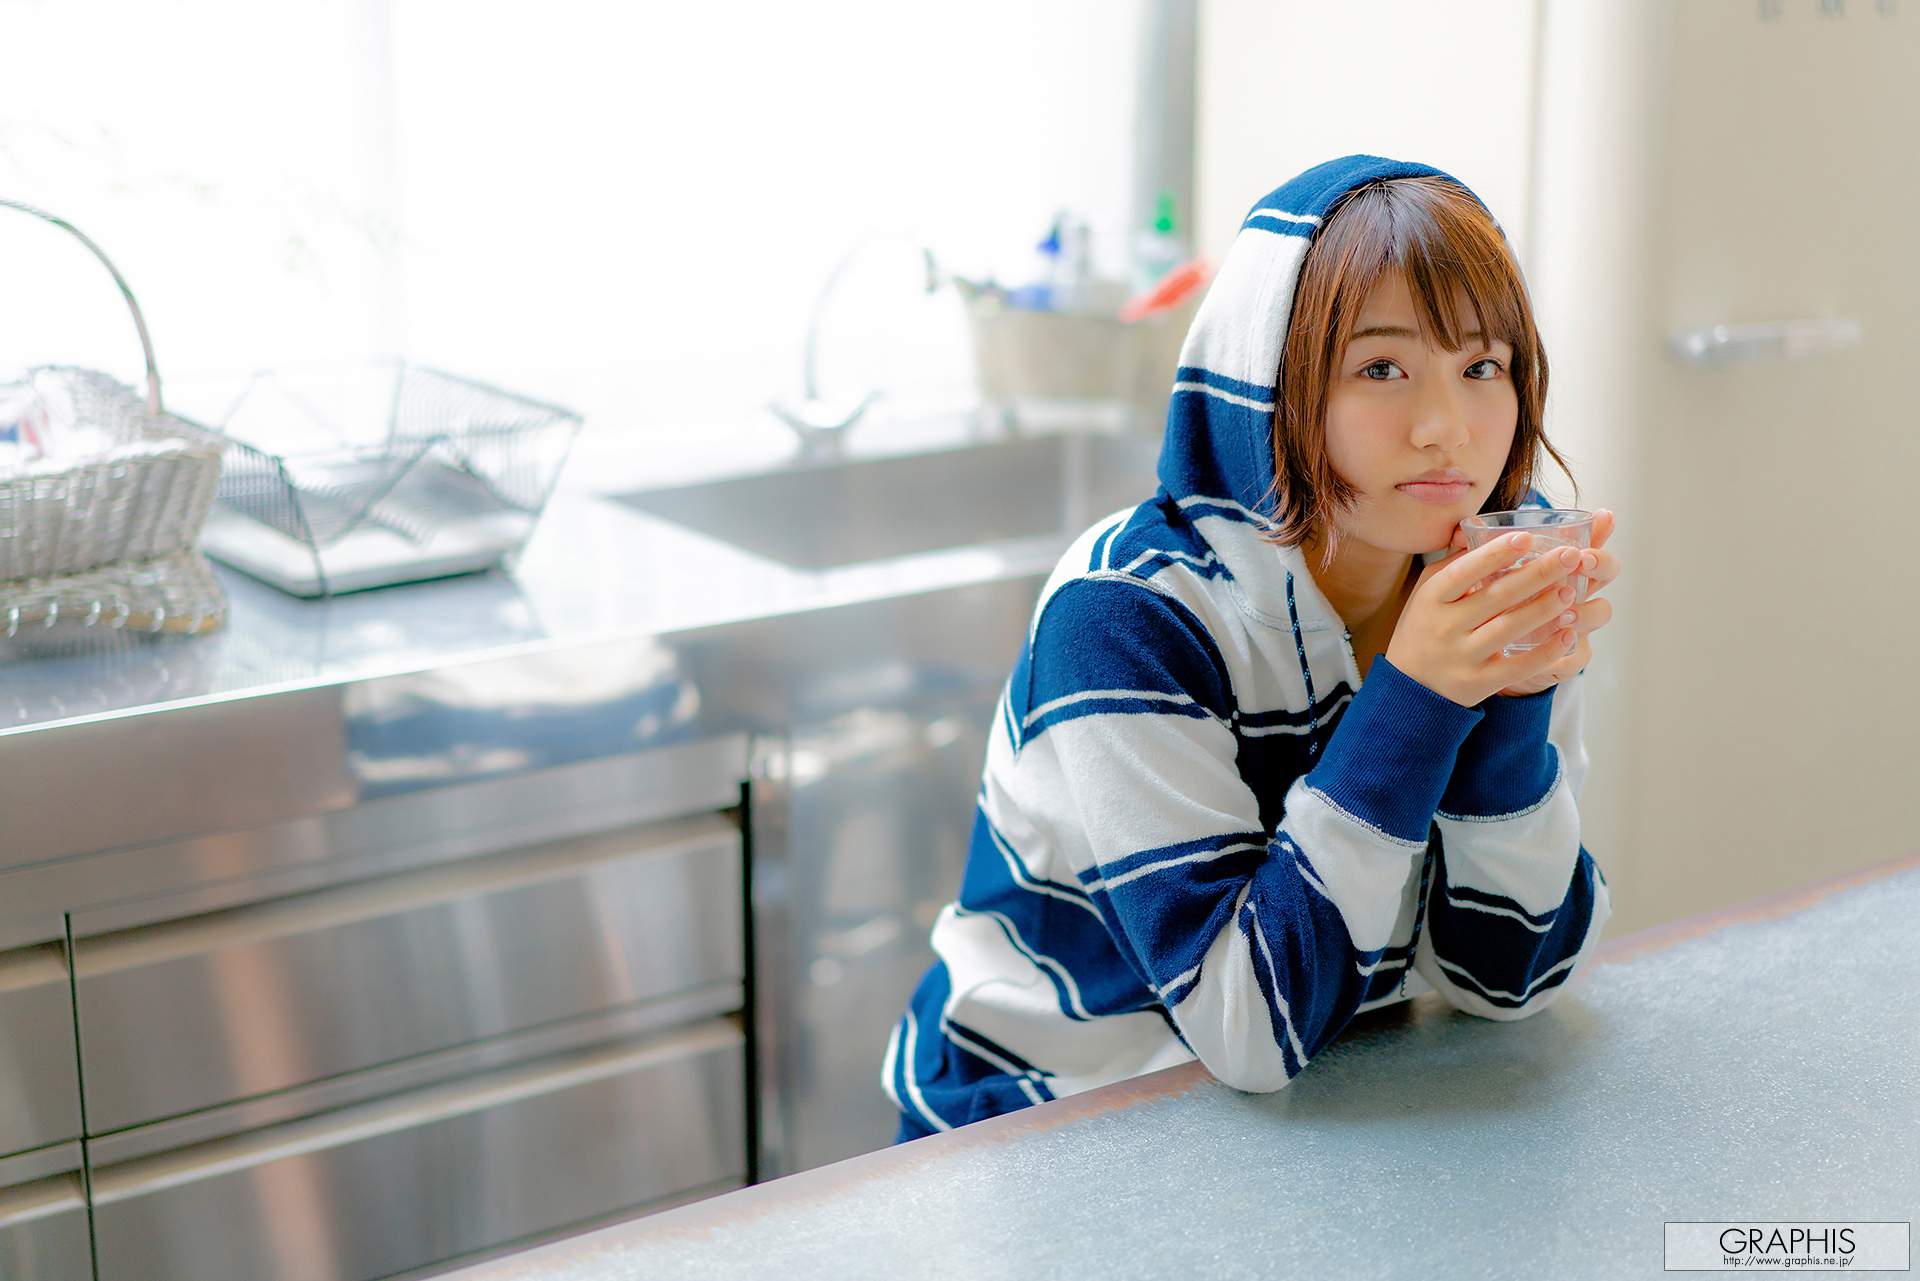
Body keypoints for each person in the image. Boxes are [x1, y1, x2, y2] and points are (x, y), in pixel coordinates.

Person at [882, 154, 1624, 1141]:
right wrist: (1420, 695)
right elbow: (1250, 1027)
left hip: (1324, 1109)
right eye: (1381, 369)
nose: (1447, 428)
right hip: (1042, 1129)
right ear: (1269, 388)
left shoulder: (1490, 569)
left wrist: (1510, 697)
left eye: (1483, 367)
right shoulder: (1126, 614)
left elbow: (1512, 979)